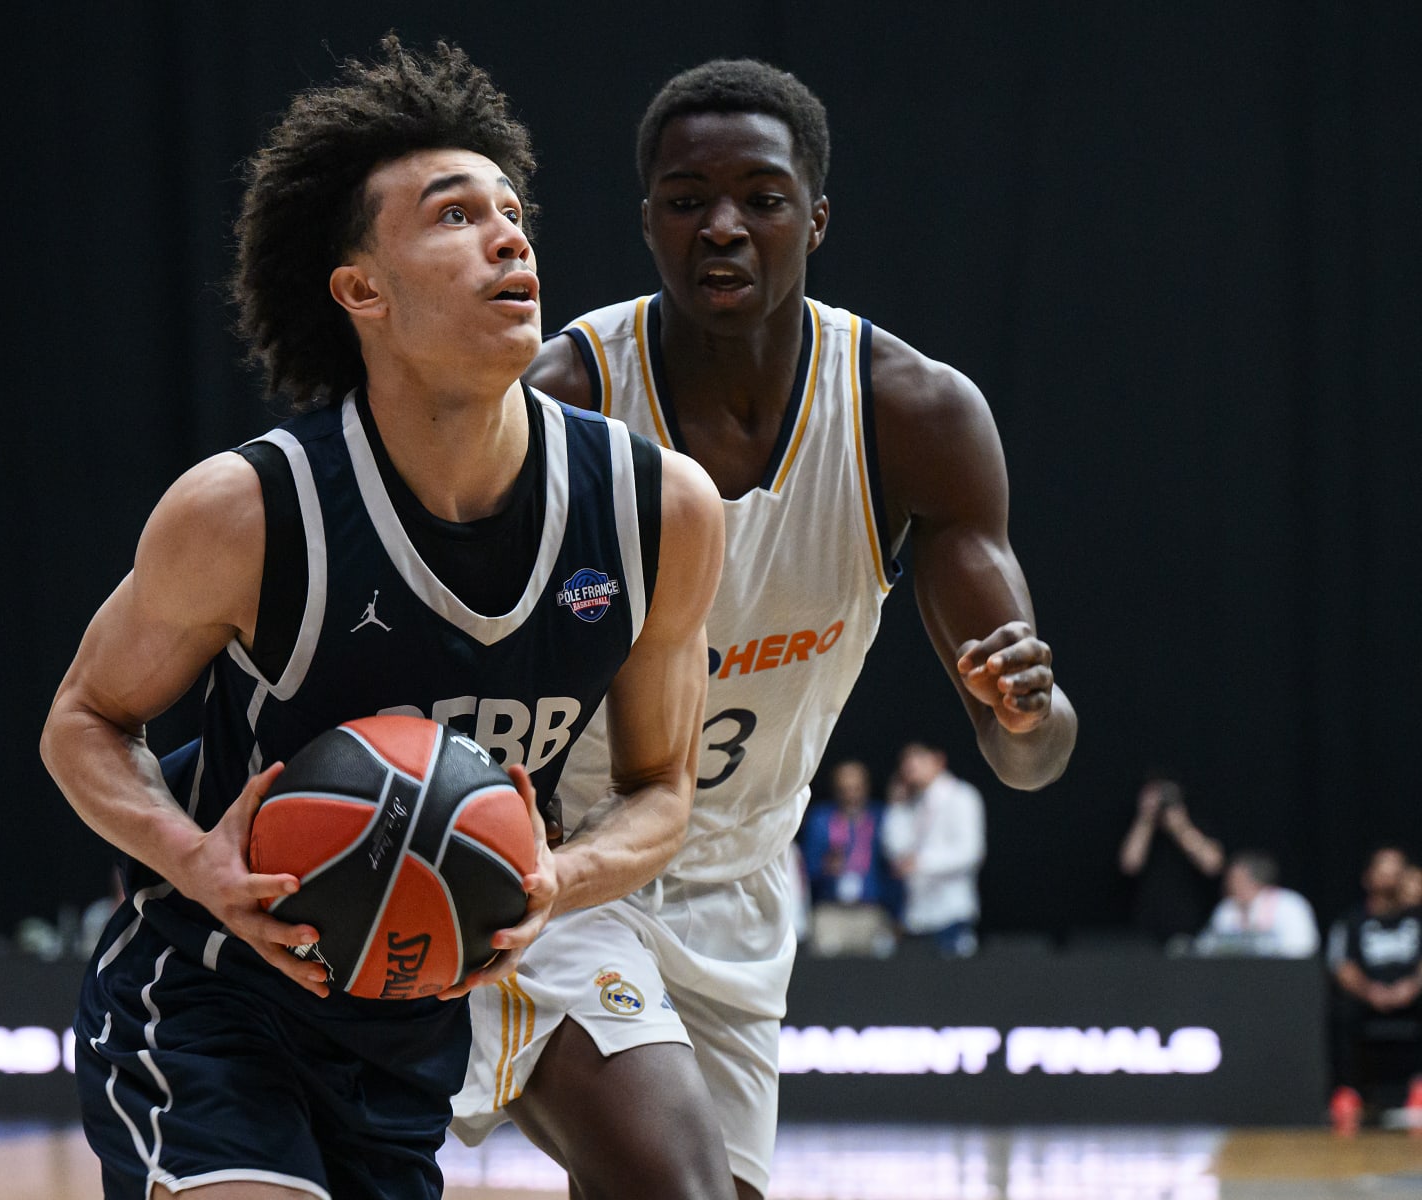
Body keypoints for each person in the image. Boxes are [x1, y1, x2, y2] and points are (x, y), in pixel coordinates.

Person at [38, 38, 724, 1200]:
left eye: (513, 212)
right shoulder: (249, 510)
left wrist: (565, 871)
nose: (510, 237)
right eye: (454, 217)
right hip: (213, 998)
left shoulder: (660, 508)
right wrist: (197, 864)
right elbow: (84, 721)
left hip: (409, 1020)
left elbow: (664, 790)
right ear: (360, 289)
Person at [453, 59, 1076, 1200]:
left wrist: (1028, 712)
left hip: (740, 882)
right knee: (666, 1183)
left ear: (816, 217)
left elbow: (1027, 760)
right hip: (565, 867)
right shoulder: (566, 404)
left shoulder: (915, 418)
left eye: (761, 197)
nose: (723, 226)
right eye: (687, 199)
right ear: (647, 222)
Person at [1326, 847, 1422, 1122]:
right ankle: (1349, 1091)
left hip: (1412, 994)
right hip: (1368, 996)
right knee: (1341, 1010)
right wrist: (1370, 991)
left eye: (1396, 871)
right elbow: (1342, 965)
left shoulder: (1417, 918)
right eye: (1383, 870)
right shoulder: (1352, 920)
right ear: (1368, 877)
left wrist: (1412, 986)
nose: (1390, 877)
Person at [881, 743, 986, 957]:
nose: (910, 766)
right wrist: (896, 806)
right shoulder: (911, 803)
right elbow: (895, 849)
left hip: (950, 912)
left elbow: (970, 852)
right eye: (905, 761)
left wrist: (921, 863)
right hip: (917, 914)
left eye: (918, 758)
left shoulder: (961, 796)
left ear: (938, 760)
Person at [798, 760, 895, 955]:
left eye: (856, 788)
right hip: (831, 910)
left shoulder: (880, 816)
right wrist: (824, 867)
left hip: (871, 910)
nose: (850, 795)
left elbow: (893, 863)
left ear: (866, 787)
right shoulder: (821, 818)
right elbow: (806, 868)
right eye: (844, 789)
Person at [1118, 777, 1224, 944]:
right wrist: (1145, 819)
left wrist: (1180, 826)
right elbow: (1130, 864)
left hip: (1190, 927)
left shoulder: (1198, 826)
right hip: (1145, 929)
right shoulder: (1140, 829)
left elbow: (1212, 864)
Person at [1194, 849, 1319, 958]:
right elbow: (1206, 947)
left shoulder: (1289, 904)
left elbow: (1302, 948)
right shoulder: (1227, 908)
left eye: (1235, 879)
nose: (1228, 884)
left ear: (1254, 880)